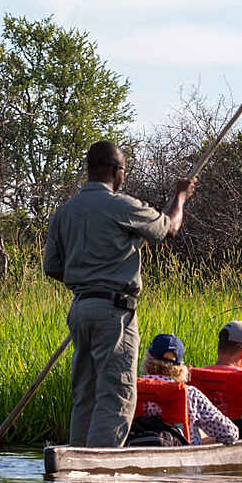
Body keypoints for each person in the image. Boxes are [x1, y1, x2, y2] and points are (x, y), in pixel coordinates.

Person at [42, 140, 194, 447]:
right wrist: (180, 196)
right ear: (116, 171)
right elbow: (169, 228)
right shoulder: (120, 205)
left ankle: (76, 459)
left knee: (86, 392)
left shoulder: (65, 212)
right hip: (115, 311)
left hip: (81, 308)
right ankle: (100, 464)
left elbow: (53, 268)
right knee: (117, 394)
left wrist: (87, 281)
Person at [129, 333, 238, 446]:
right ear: (180, 367)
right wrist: (204, 441)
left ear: (148, 359)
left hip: (136, 450)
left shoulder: (131, 389)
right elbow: (230, 433)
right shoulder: (190, 394)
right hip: (182, 457)